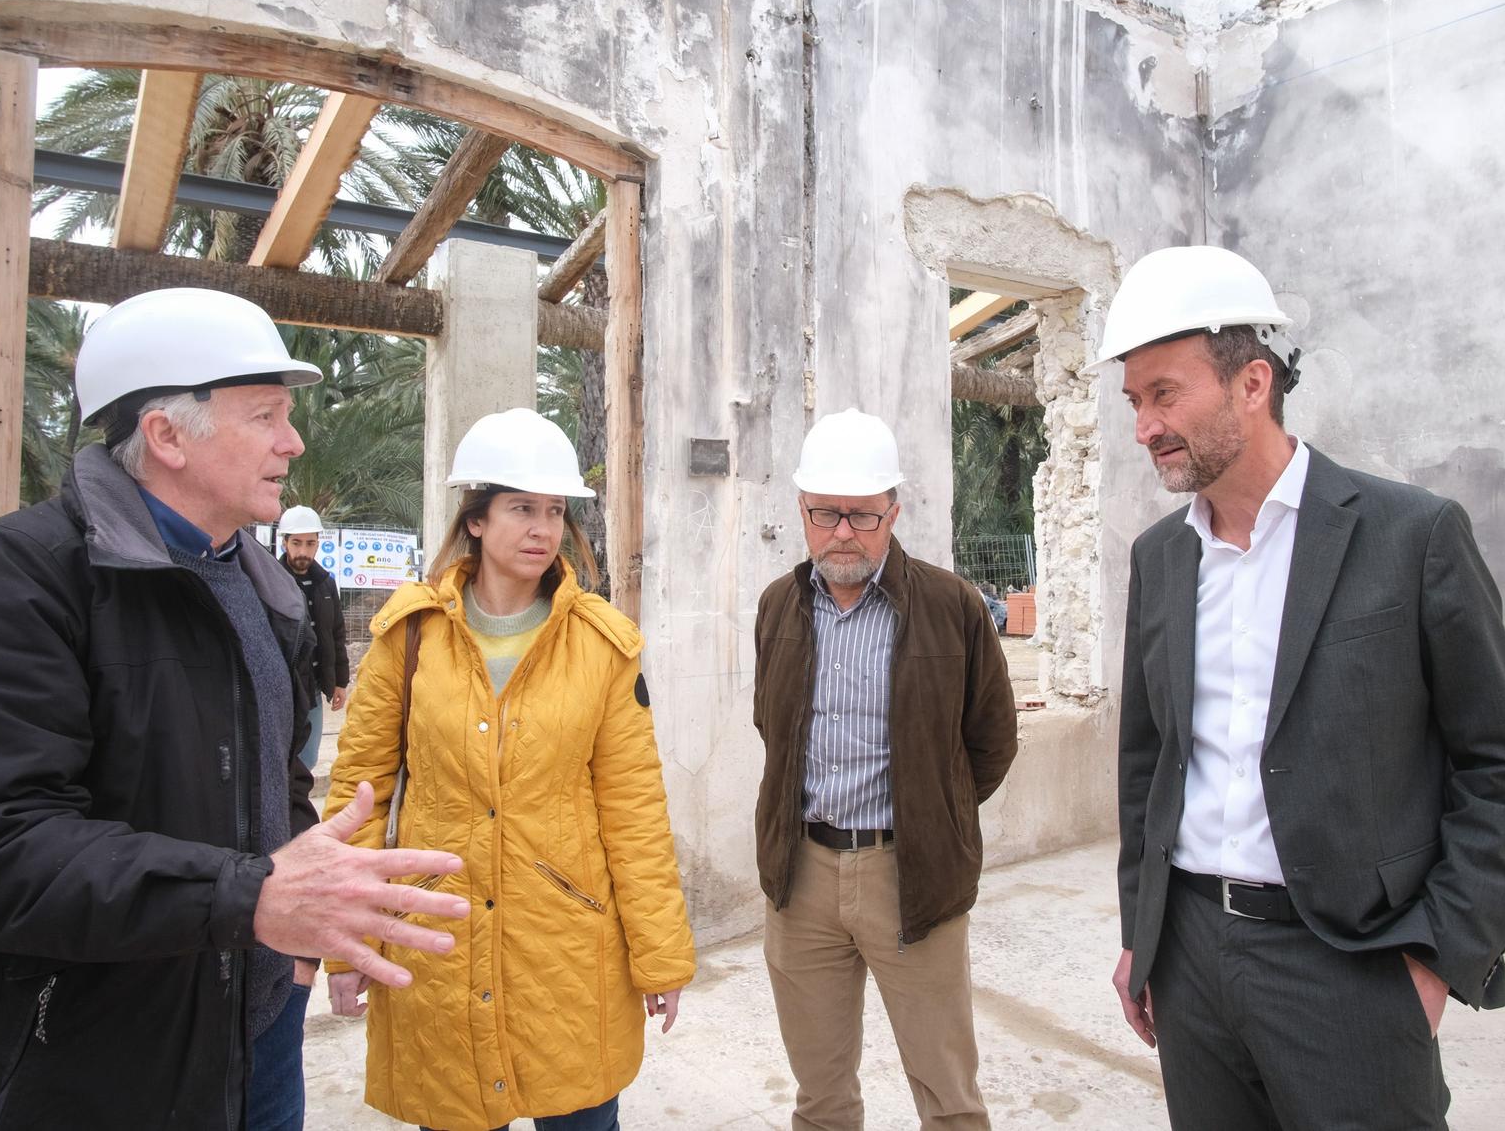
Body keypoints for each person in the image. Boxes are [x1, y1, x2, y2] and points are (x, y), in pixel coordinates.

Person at [0, 287, 468, 1131]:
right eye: (266, 415)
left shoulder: (263, 594)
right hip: (80, 1069)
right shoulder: (4, 584)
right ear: (165, 436)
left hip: (255, 1034)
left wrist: (294, 945)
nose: (292, 442)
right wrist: (251, 897)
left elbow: (274, 782)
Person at [1102, 248, 1505, 1129]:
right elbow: (1147, 765)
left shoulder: (1411, 535)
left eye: (1164, 394)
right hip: (1190, 954)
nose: (1143, 427)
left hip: (1349, 960)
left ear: (1252, 383)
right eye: (1133, 402)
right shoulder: (1160, 559)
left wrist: (1433, 962)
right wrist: (1142, 932)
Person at [323, 406, 694, 1131]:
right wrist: (349, 946)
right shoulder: (409, 637)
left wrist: (660, 958)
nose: (542, 529)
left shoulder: (602, 646)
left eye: (554, 511)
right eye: (521, 508)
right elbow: (358, 797)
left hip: (565, 950)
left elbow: (634, 811)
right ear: (476, 521)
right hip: (438, 933)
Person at [753, 408, 1019, 1131]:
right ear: (802, 512)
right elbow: (769, 727)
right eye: (826, 513)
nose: (843, 531)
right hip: (800, 878)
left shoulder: (952, 605)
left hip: (912, 879)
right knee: (820, 1099)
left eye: (863, 516)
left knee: (949, 1098)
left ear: (893, 512)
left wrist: (933, 814)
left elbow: (991, 742)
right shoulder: (778, 606)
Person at [278, 504, 349, 771]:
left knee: (307, 762)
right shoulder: (271, 582)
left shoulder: (325, 584)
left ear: (318, 544)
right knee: (282, 761)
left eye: (310, 543)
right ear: (284, 543)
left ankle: (299, 812)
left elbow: (336, 634)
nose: (303, 552)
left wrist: (339, 682)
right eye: (296, 543)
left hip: (314, 694)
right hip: (285, 692)